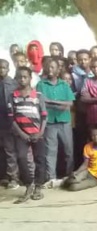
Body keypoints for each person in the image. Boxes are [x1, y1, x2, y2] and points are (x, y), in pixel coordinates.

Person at [9, 67, 47, 203]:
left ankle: (38, 187)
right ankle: (28, 185)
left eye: (25, 77)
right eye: (20, 77)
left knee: (40, 160)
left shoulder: (38, 95)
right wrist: (21, 133)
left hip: (37, 133)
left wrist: (40, 132)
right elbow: (11, 118)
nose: (22, 79)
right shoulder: (13, 96)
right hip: (21, 134)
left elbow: (44, 116)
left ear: (31, 78)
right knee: (21, 158)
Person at [36, 58, 75, 187]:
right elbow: (40, 101)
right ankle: (51, 178)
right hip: (50, 122)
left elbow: (69, 103)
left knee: (68, 150)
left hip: (64, 121)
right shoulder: (41, 84)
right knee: (50, 151)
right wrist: (58, 103)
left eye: (53, 67)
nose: (50, 70)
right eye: (48, 67)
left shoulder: (64, 85)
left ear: (58, 70)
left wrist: (51, 102)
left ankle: (70, 175)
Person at [63, 126, 97, 191]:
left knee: (73, 187)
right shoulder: (87, 146)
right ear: (90, 136)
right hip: (88, 171)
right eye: (93, 135)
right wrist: (77, 171)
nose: (96, 137)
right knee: (72, 179)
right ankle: (64, 181)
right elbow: (85, 164)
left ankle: (67, 181)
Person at [0, 59, 19, 188]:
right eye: (0, 68)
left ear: (8, 69)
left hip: (9, 122)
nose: (1, 70)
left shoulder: (14, 84)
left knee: (10, 150)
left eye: (4, 68)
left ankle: (14, 177)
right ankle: (3, 176)